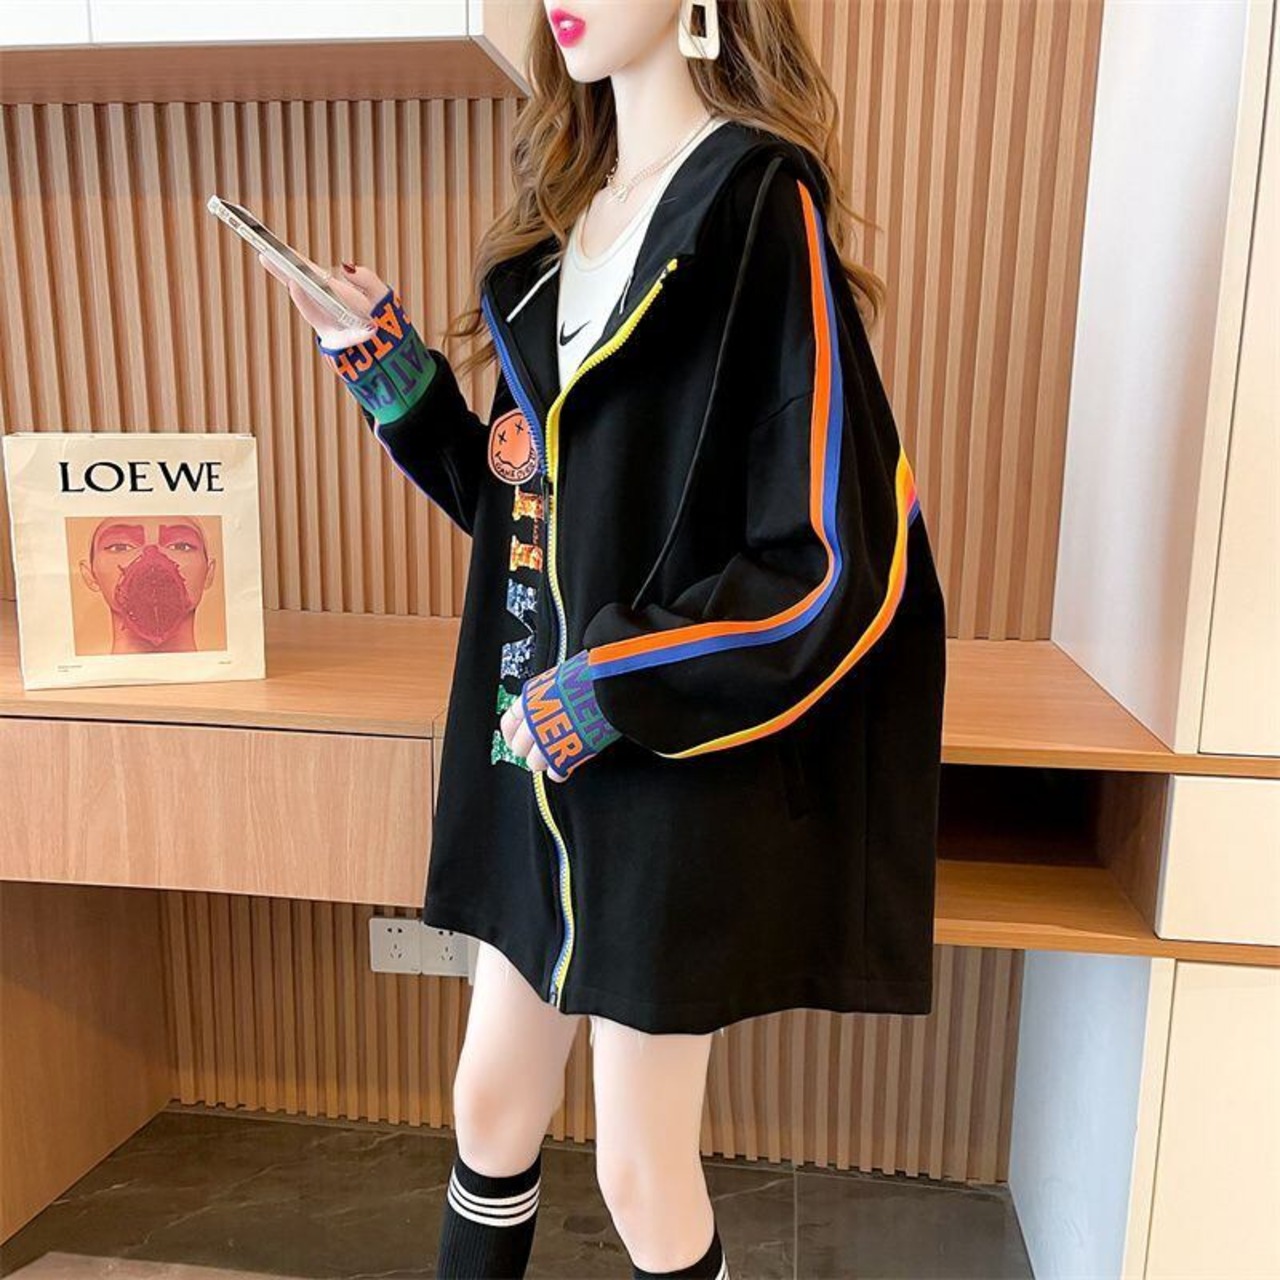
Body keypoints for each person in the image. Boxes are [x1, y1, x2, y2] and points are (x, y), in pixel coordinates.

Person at [260, 2, 947, 1276]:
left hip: (657, 758)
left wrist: (613, 688)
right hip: (534, 754)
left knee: (639, 1169)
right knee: (488, 1106)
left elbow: (825, 555)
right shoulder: (559, 227)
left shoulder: (753, 200)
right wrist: (388, 371)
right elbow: (523, 516)